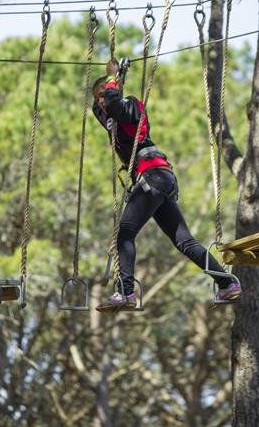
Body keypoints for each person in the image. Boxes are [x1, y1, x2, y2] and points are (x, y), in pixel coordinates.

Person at [92, 59, 242, 311]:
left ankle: (126, 291)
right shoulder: (113, 120)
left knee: (125, 232)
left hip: (153, 176)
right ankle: (227, 283)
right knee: (184, 241)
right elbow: (103, 112)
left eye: (102, 95)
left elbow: (114, 105)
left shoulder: (131, 106)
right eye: (97, 98)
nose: (100, 101)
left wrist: (112, 78)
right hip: (157, 180)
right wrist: (107, 87)